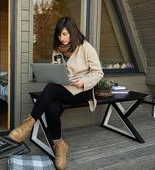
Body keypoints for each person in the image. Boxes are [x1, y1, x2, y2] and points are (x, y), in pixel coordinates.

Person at [8, 17, 104, 170]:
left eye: (65, 34)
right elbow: (56, 70)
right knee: (52, 108)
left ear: (72, 32)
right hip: (63, 88)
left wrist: (83, 81)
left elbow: (98, 73)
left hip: (81, 91)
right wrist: (56, 75)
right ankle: (59, 145)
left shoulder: (86, 48)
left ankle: (26, 127)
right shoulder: (58, 49)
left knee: (51, 89)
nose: (62, 38)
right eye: (60, 35)